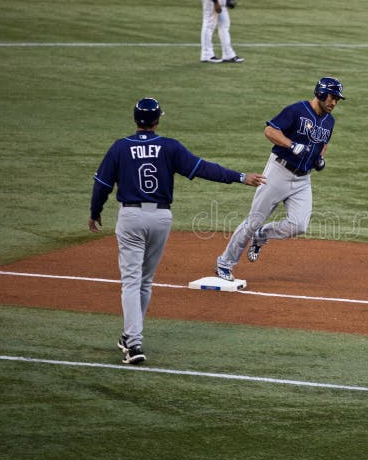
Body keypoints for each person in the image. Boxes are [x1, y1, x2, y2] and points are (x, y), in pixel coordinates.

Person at [89, 98, 265, 364]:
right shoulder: (168, 147)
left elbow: (102, 184)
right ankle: (129, 337)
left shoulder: (120, 147)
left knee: (131, 281)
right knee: (145, 280)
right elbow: (203, 168)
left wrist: (95, 211)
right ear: (157, 120)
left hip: (131, 217)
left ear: (135, 120)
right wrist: (240, 177)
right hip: (161, 218)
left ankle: (134, 343)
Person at [215, 77, 345, 281]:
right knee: (253, 221)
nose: (334, 103)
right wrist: (291, 145)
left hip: (303, 181)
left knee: (299, 225)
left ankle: (262, 236)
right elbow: (270, 130)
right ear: (320, 93)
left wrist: (320, 158)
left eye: (337, 99)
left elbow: (323, 142)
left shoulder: (330, 121)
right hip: (278, 173)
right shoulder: (297, 110)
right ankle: (224, 263)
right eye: (332, 97)